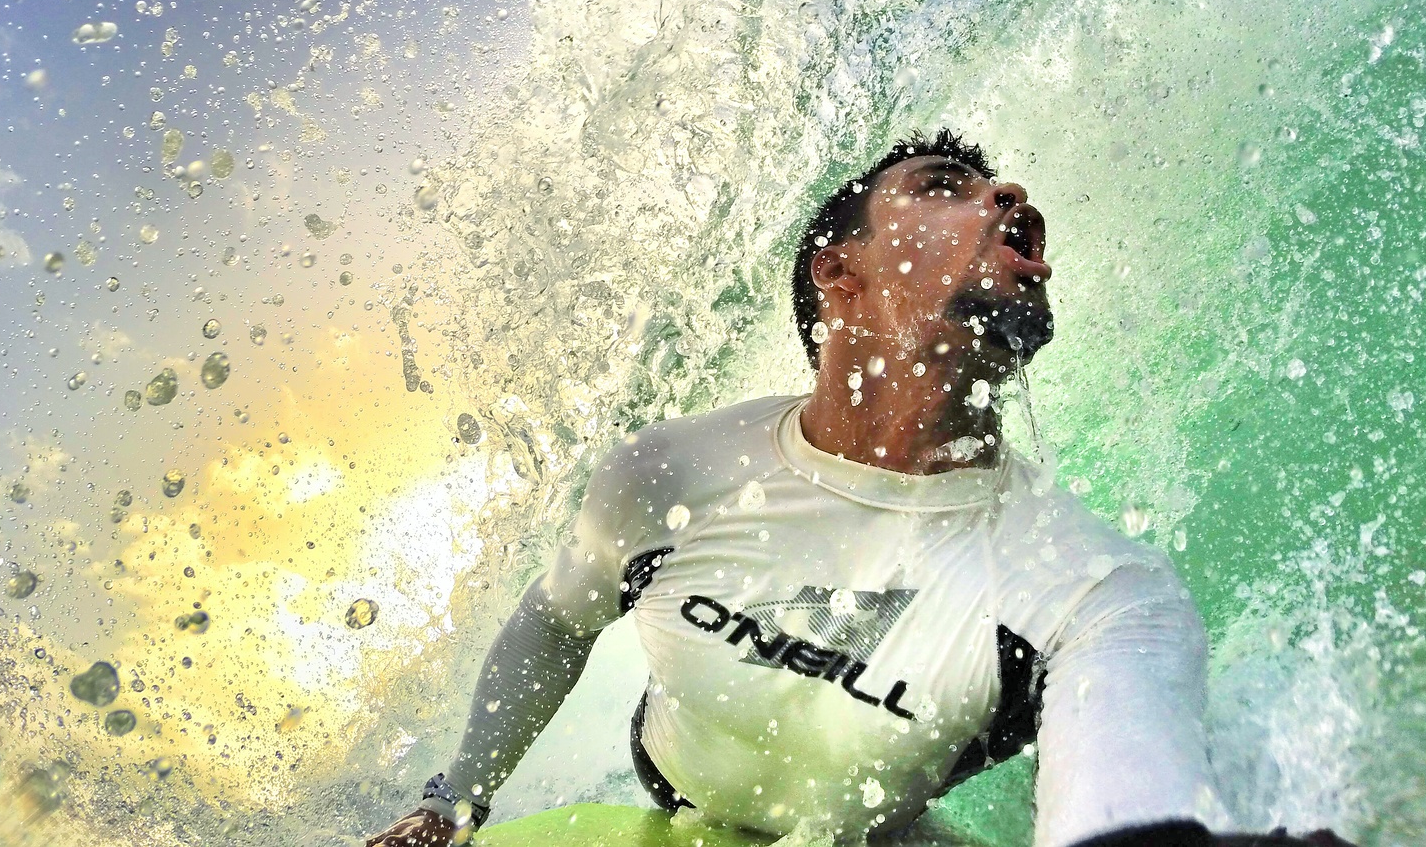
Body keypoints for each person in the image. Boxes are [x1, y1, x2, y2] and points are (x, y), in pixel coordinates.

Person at [368, 131, 1353, 847]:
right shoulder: (676, 474)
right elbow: (556, 621)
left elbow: (1125, 795)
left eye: (999, 188)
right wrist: (454, 802)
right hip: (662, 809)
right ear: (839, 273)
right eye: (944, 187)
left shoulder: (1096, 592)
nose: (1008, 192)